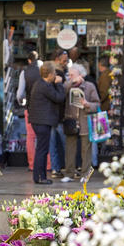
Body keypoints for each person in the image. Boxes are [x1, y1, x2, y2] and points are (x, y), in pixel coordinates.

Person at [28, 61, 65, 185]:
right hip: (42, 121)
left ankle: (39, 176)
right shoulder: (45, 86)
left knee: (41, 149)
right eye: (54, 73)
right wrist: (59, 84)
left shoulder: (40, 83)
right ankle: (40, 177)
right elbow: (58, 97)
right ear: (49, 74)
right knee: (42, 150)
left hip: (38, 121)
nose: (55, 75)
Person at [61, 64, 99, 182]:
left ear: (81, 75)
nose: (70, 77)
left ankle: (85, 174)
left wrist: (87, 104)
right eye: (69, 74)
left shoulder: (89, 86)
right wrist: (71, 82)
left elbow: (97, 104)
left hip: (85, 119)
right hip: (71, 120)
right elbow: (62, 92)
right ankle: (69, 173)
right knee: (70, 148)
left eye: (73, 75)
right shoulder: (68, 85)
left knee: (86, 149)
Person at [15, 51, 47, 171]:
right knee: (45, 136)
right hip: (45, 108)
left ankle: (32, 164)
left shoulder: (25, 72)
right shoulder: (46, 69)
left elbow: (19, 94)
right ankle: (48, 164)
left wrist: (22, 102)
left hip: (31, 107)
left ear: (29, 60)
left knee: (31, 137)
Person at [49, 50, 69, 178]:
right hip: (58, 115)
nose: (66, 63)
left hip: (50, 116)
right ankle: (66, 167)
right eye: (64, 60)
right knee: (65, 143)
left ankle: (56, 168)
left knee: (53, 145)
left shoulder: (46, 76)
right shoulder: (59, 75)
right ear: (57, 59)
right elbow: (61, 97)